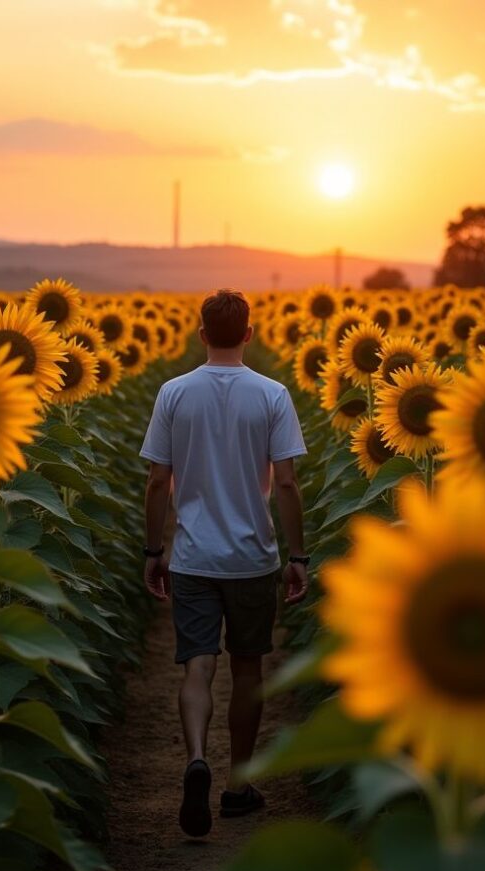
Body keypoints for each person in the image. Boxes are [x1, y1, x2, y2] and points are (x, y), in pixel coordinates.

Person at [139, 288, 309, 839]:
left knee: (198, 665)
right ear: (250, 334)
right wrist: (297, 555)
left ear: (200, 333)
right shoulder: (272, 394)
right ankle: (237, 787)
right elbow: (285, 481)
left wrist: (153, 551)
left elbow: (158, 481)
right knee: (247, 668)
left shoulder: (173, 393)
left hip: (192, 556)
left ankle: (194, 757)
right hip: (252, 559)